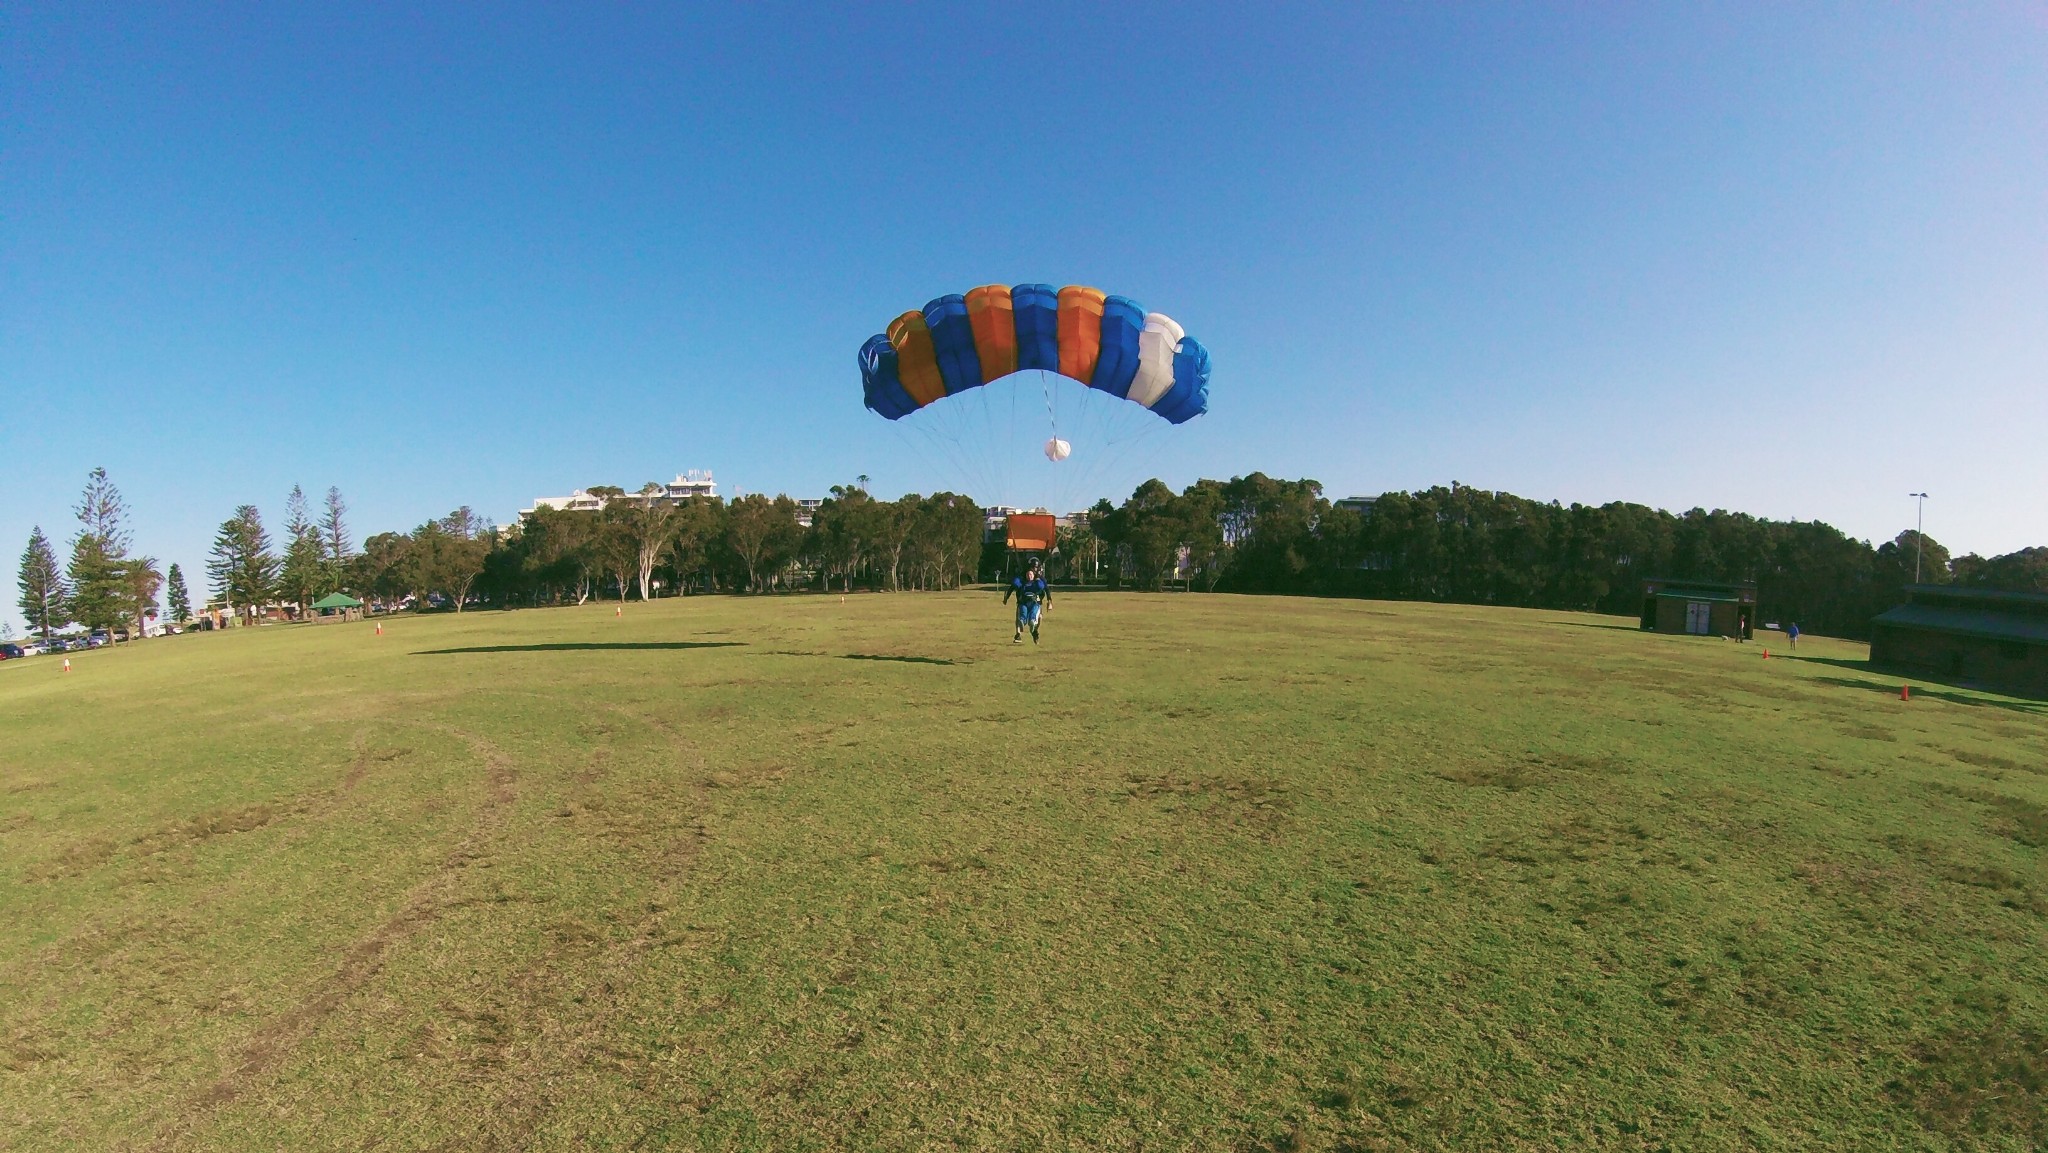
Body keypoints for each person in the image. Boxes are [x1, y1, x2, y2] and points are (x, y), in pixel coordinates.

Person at [1003, 559, 1051, 644]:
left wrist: (1049, 601)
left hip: (1036, 601)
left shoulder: (1039, 578)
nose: (1035, 569)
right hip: (1023, 600)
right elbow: (1013, 586)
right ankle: (1018, 634)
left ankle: (1034, 632)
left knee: (1038, 617)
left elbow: (1046, 589)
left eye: (1036, 568)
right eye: (1034, 567)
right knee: (1021, 615)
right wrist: (1007, 597)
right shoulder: (1022, 576)